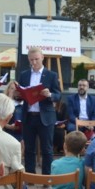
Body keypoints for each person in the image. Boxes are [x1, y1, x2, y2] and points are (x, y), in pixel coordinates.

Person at [18, 47, 61, 175]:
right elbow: (21, 93)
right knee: (29, 149)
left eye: (36, 59)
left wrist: (50, 95)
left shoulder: (51, 75)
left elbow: (58, 95)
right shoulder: (24, 75)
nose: (34, 62)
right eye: (31, 60)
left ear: (42, 57)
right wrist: (18, 94)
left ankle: (47, 177)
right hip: (29, 116)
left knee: (47, 149)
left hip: (45, 117)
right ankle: (30, 176)